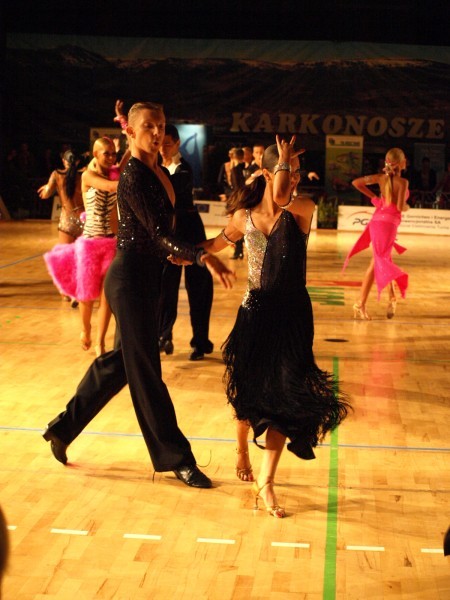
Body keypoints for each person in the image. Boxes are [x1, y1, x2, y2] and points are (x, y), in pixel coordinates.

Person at [42, 101, 235, 490]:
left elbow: (167, 235)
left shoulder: (160, 172)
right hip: (128, 280)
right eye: (149, 125)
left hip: (148, 279)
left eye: (161, 125)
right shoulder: (133, 176)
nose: (158, 132)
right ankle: (177, 458)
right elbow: (159, 236)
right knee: (146, 369)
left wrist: (199, 248)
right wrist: (200, 257)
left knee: (120, 363)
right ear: (131, 131)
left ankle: (62, 429)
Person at [201, 136, 350, 516]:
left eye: (298, 171)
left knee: (285, 396)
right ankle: (241, 449)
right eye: (289, 170)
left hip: (292, 316)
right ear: (266, 174)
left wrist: (284, 163)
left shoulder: (302, 208)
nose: (296, 177)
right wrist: (180, 251)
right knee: (248, 393)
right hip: (254, 313)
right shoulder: (243, 217)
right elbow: (214, 243)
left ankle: (266, 482)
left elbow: (282, 197)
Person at [44, 138, 126, 356]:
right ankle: (86, 330)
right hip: (90, 243)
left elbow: (129, 158)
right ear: (95, 154)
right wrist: (132, 180)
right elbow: (110, 187)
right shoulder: (88, 176)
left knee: (106, 296)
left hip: (111, 242)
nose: (111, 157)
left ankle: (100, 342)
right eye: (106, 153)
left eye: (113, 153)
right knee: (86, 295)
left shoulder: (115, 173)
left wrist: (127, 130)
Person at [158, 124, 214, 361]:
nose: (163, 148)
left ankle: (200, 342)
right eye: (160, 144)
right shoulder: (156, 165)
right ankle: (164, 336)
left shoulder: (184, 169)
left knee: (198, 288)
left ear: (177, 144)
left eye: (167, 144)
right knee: (165, 287)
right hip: (170, 231)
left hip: (190, 230)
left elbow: (170, 187)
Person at [343, 147, 410, 320]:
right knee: (377, 262)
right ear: (401, 163)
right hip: (388, 225)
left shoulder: (380, 178)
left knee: (382, 259)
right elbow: (400, 207)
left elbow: (356, 183)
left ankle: (389, 298)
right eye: (404, 159)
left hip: (377, 221)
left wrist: (375, 198)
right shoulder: (403, 183)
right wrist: (406, 207)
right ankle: (361, 303)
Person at [38, 149, 85, 307]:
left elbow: (46, 194)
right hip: (83, 219)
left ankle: (66, 292)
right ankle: (77, 293)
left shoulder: (57, 174)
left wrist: (46, 188)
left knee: (66, 259)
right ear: (76, 161)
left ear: (64, 161)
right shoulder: (83, 174)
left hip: (67, 221)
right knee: (80, 259)